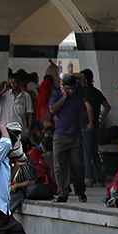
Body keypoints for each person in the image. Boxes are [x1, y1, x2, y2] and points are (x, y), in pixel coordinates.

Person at [48, 74, 88, 203]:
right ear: (63, 87)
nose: (71, 91)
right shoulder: (56, 95)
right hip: (60, 135)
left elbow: (83, 77)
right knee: (60, 166)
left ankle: (80, 191)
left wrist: (69, 75)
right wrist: (64, 97)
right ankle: (62, 193)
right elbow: (52, 109)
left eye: (72, 88)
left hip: (75, 133)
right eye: (68, 89)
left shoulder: (79, 91)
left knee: (78, 165)